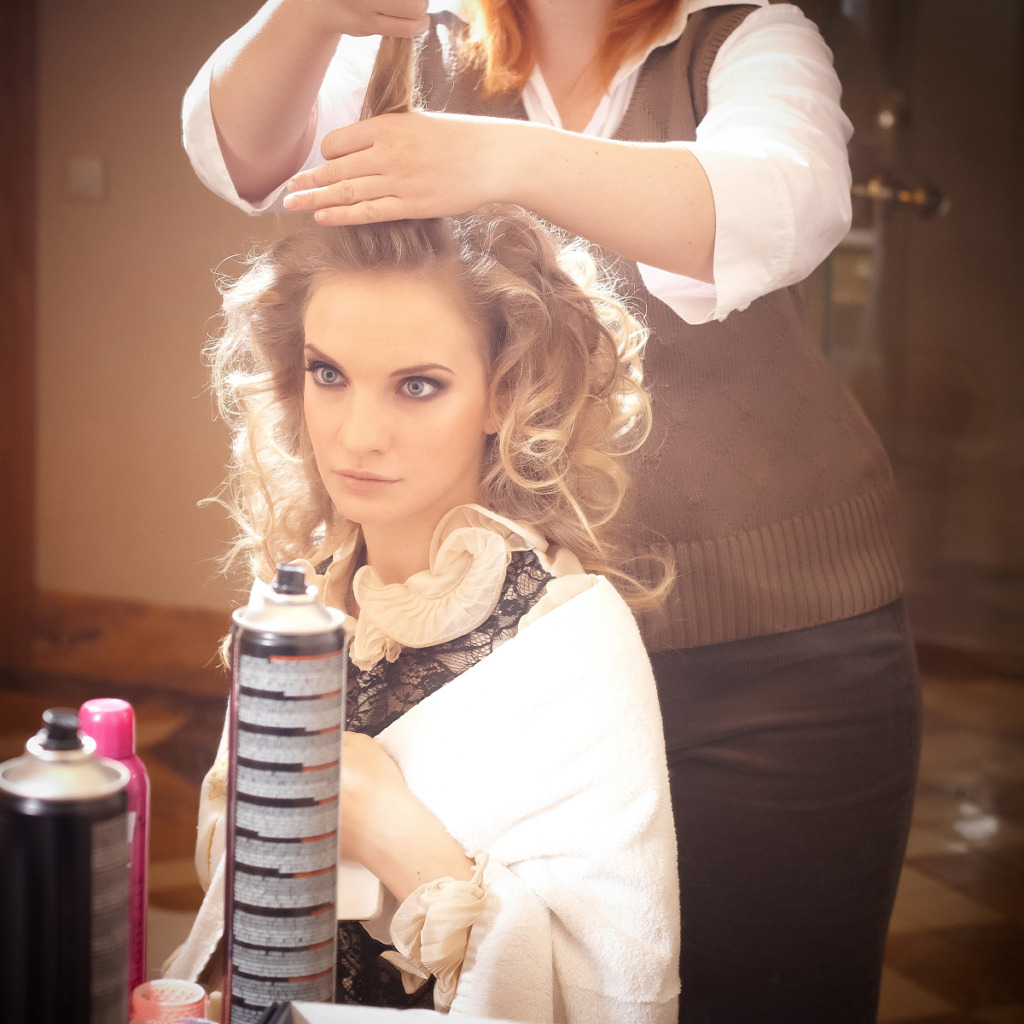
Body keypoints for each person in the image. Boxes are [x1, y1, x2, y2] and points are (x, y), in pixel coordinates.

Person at [181, 4, 922, 1022]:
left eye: (416, 387)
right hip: (497, 645)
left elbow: (781, 203)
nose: (359, 430)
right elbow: (236, 153)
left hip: (779, 652)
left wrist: (496, 162)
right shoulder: (420, 40)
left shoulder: (739, 35)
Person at [166, 41, 679, 1023]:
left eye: (417, 385)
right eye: (328, 374)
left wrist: (387, 826)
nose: (356, 435)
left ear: (506, 393)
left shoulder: (573, 648)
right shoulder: (300, 611)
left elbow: (612, 991)